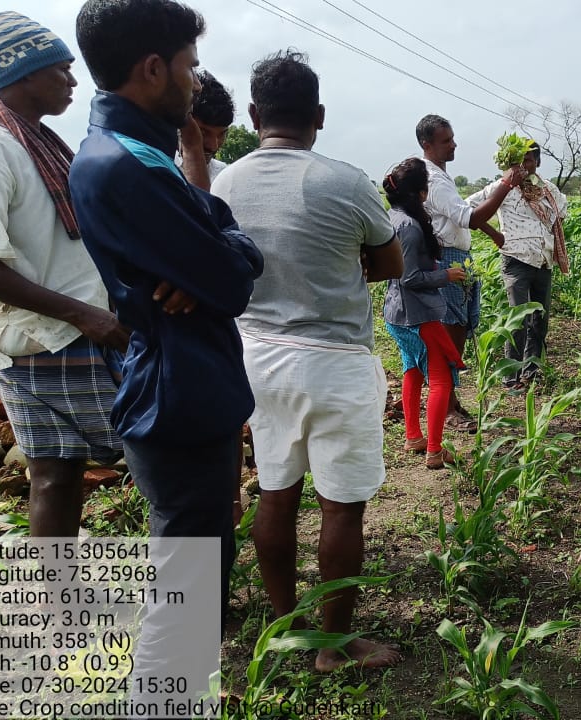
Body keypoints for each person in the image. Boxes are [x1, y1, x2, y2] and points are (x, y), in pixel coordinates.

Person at [70, 0, 263, 638]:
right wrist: (221, 249)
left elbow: (224, 258)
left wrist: (215, 250)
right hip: (176, 391)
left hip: (182, 380)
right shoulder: (131, 168)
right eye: (190, 66)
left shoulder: (127, 152)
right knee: (186, 585)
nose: (196, 81)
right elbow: (235, 279)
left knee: (198, 561)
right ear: (153, 68)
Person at [212, 50, 403, 671]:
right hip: (335, 361)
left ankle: (286, 628)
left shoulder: (226, 182)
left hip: (257, 360)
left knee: (275, 493)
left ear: (252, 114)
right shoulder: (345, 181)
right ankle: (335, 647)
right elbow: (389, 264)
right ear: (318, 115)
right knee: (342, 507)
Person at [0, 11, 124, 539]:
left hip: (68, 329)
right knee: (79, 469)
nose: (74, 81)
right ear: (24, 73)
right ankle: (63, 610)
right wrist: (84, 314)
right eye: (61, 70)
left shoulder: (36, 140)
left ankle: (58, 609)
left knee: (59, 474)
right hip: (47, 336)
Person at [415, 114, 523, 431]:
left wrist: (492, 233)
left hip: (458, 257)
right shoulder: (433, 181)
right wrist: (505, 184)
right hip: (448, 259)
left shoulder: (439, 177)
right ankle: (446, 408)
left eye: (452, 137)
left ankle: (449, 401)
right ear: (427, 144)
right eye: (446, 140)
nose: (454, 144)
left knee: (459, 328)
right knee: (451, 334)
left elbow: (460, 214)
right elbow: (468, 218)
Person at [382, 158, 468, 470]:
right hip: (416, 316)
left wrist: (443, 271)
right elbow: (409, 277)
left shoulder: (394, 217)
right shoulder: (409, 228)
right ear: (420, 193)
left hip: (400, 313)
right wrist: (447, 277)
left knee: (413, 370)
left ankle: (414, 437)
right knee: (442, 379)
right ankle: (434, 451)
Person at [467, 140, 568, 391]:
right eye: (519, 161)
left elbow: (561, 213)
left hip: (543, 262)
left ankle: (531, 372)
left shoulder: (548, 190)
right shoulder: (502, 188)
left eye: (530, 160)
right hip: (516, 260)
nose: (524, 166)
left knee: (539, 320)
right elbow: (468, 208)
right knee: (517, 319)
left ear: (538, 162)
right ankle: (511, 376)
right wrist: (493, 234)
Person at [176, 68, 231, 189]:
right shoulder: (158, 168)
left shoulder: (225, 176)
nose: (213, 145)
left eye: (221, 134)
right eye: (203, 132)